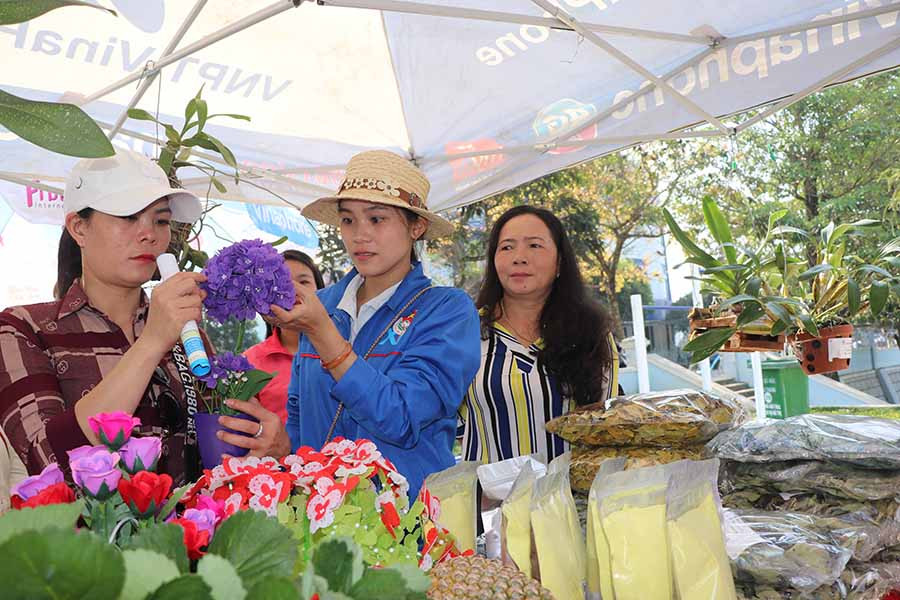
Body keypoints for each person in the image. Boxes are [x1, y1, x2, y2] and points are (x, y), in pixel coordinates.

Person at [217, 150, 481, 500]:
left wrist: (323, 332)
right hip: (318, 517)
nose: (360, 235)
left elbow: (401, 419)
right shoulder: (322, 305)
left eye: (377, 219)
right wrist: (282, 444)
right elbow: (299, 417)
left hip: (409, 522)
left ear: (416, 227)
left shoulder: (446, 310)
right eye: (348, 220)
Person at [0, 149, 206, 485]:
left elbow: (213, 437)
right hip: (87, 537)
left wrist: (259, 438)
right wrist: (151, 343)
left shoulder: (183, 325)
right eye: (127, 217)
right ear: (79, 228)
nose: (149, 234)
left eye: (161, 220)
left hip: (191, 533)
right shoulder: (23, 328)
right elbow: (48, 463)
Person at [461, 205, 623, 464]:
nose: (519, 257)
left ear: (559, 263)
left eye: (534, 246)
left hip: (572, 500)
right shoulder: (465, 332)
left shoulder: (591, 334)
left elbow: (608, 427)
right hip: (490, 501)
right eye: (507, 247)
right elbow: (447, 421)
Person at [244, 250, 324, 424]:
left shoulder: (343, 350)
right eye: (282, 282)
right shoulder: (251, 361)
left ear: (321, 290)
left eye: (304, 282)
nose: (293, 290)